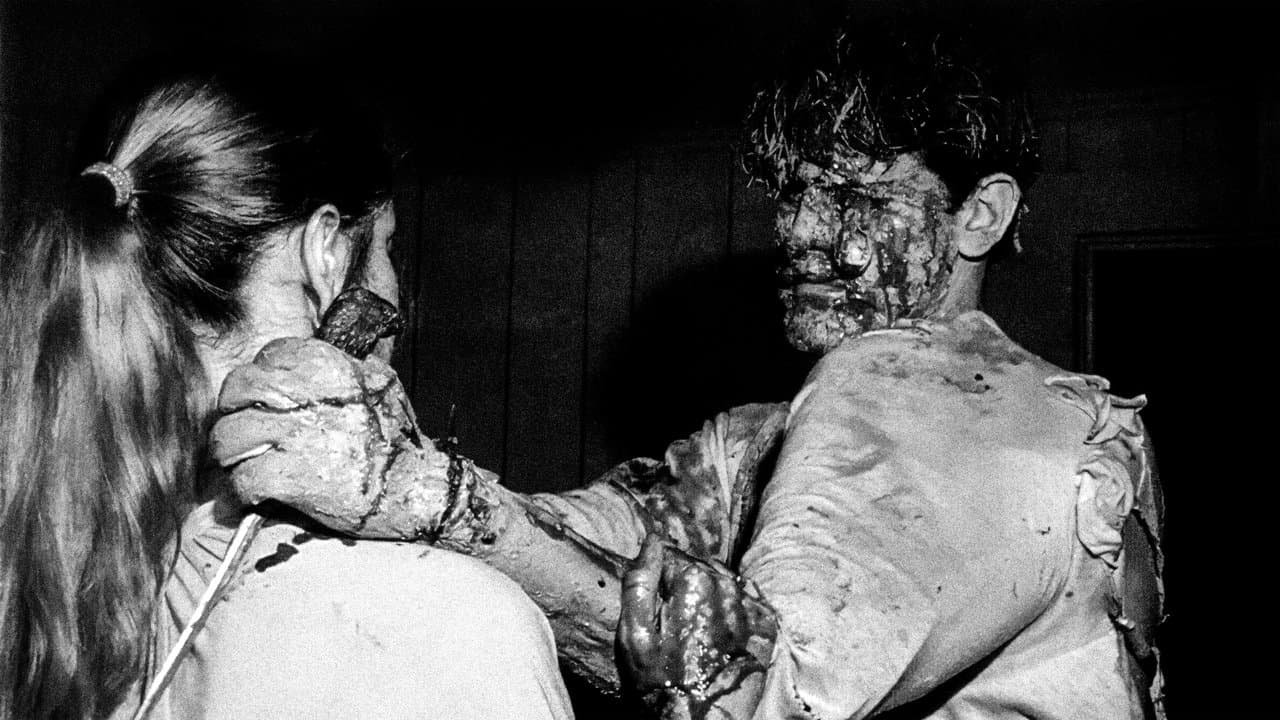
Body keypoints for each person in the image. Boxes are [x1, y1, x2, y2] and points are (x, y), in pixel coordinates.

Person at [617, 24, 1166, 720]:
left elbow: (774, 684)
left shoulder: (1039, 419)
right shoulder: (754, 439)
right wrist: (482, 512)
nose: (799, 233)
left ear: (981, 215)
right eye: (794, 193)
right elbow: (596, 554)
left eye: (857, 197)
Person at [0, 70, 573, 720]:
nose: (396, 287)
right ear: (325, 252)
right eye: (387, 246)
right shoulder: (456, 625)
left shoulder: (52, 563)